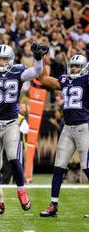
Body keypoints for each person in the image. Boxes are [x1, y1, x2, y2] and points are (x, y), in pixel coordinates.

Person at [0, 43, 48, 214]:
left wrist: (38, 58)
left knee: (13, 157)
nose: (2, 61)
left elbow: (37, 71)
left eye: (5, 58)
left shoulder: (17, 71)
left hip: (11, 123)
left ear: (11, 59)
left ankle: (21, 190)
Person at [37, 54, 88, 217]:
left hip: (83, 127)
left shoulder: (86, 80)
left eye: (77, 66)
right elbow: (43, 78)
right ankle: (53, 205)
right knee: (58, 167)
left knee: (87, 168)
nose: (74, 68)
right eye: (72, 65)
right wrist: (40, 59)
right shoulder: (65, 80)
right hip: (67, 128)